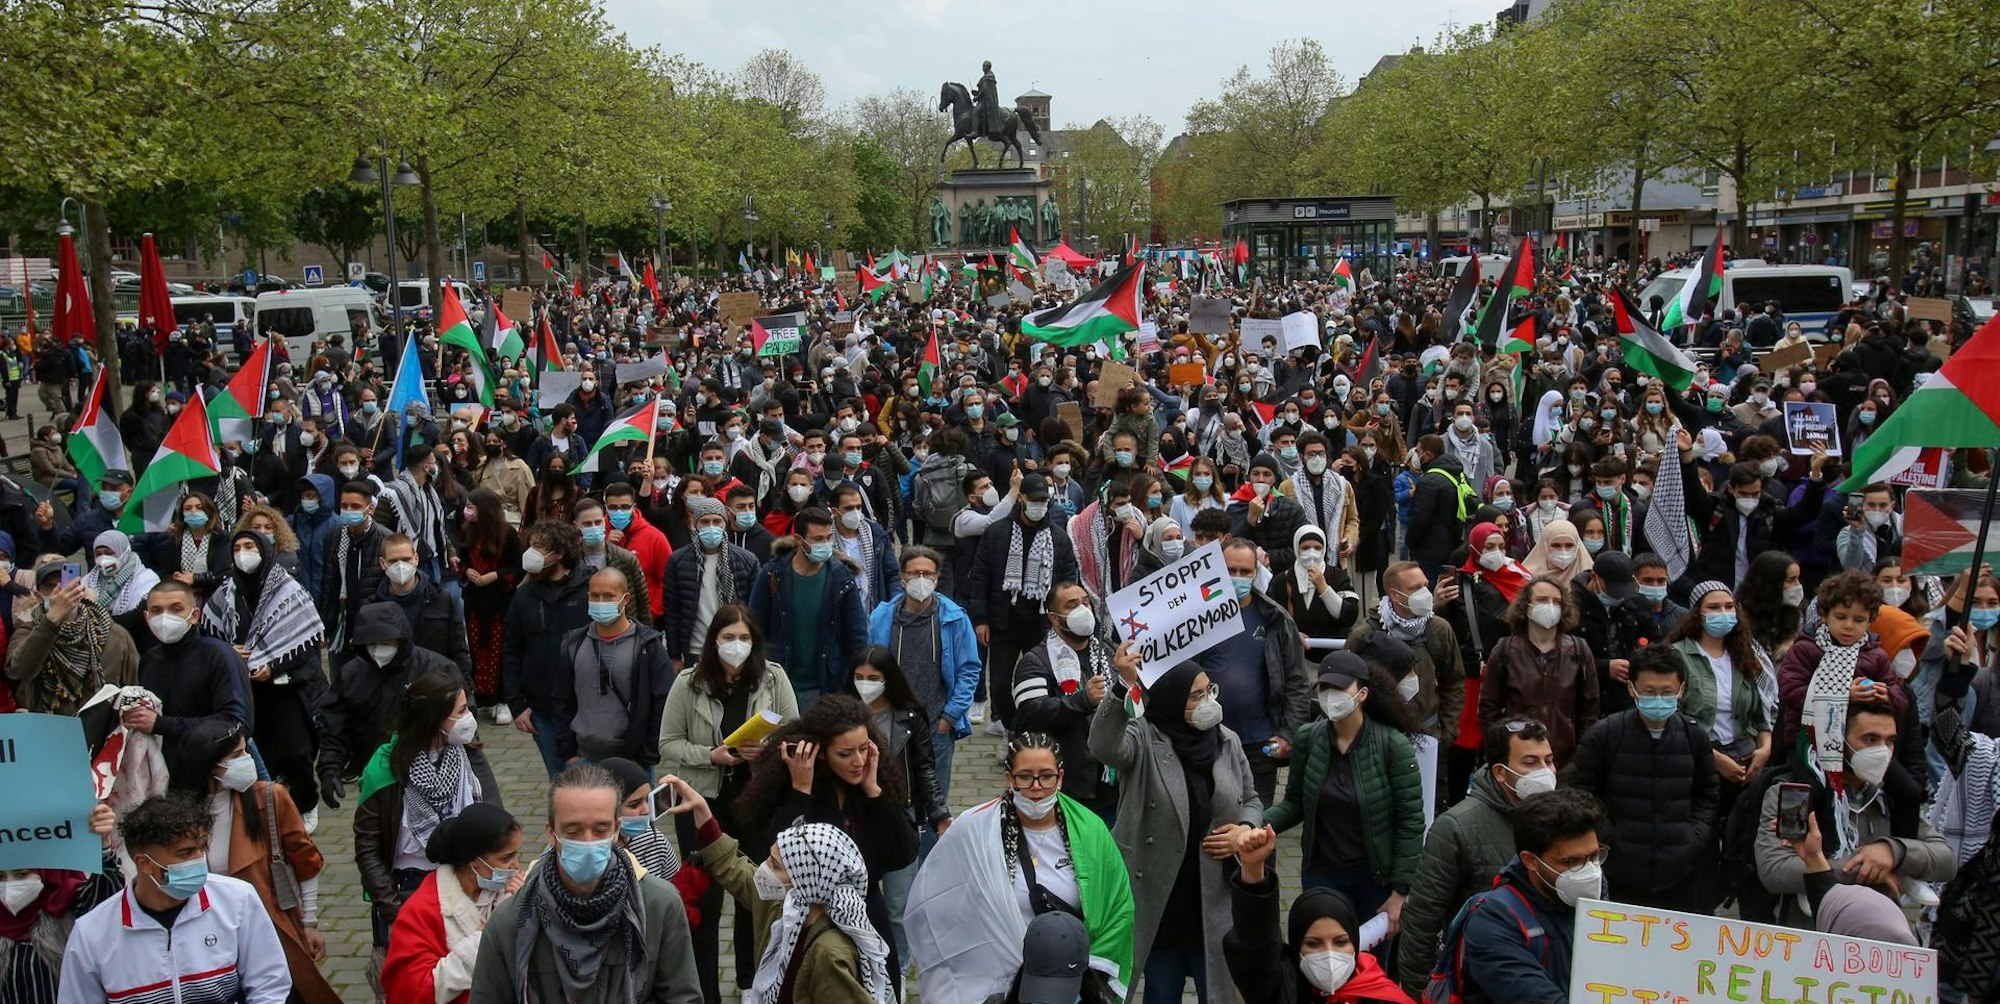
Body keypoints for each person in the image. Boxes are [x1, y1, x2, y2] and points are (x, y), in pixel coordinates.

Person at [905, 731, 1135, 1004]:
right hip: (995, 983)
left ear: (1060, 777)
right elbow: (938, 905)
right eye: (1025, 777)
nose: (1036, 787)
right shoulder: (973, 829)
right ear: (1009, 778)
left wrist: (1085, 969)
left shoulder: (1092, 831)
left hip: (1068, 982)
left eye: (1046, 776)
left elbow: (1118, 909)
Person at [1092, 656, 1262, 1004]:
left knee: (1217, 991)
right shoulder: (1144, 738)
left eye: (1209, 691)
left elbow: (1251, 799)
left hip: (1214, 899)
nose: (1208, 701)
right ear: (1171, 700)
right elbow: (1104, 746)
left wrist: (1244, 830)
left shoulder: (1226, 741)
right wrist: (1123, 686)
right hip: (1161, 901)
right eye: (1196, 696)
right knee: (1161, 991)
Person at [468, 764, 702, 1003]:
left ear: (616, 829)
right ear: (551, 832)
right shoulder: (510, 920)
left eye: (600, 829)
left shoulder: (659, 906)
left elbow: (682, 997)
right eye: (573, 831)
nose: (588, 842)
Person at [657, 605, 797, 1004]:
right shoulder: (688, 683)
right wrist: (710, 755)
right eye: (728, 638)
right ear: (713, 641)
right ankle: (704, 990)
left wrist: (766, 750)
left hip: (756, 801)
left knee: (756, 893)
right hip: (703, 802)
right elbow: (668, 744)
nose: (736, 646)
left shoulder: (773, 678)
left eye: (744, 638)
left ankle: (752, 981)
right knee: (704, 898)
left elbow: (795, 733)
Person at [653, 776, 894, 1004]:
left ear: (806, 880)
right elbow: (736, 870)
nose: (764, 869)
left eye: (775, 865)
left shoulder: (829, 954)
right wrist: (702, 812)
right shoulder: (785, 906)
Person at [734, 695, 918, 983]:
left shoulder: (872, 784)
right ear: (820, 753)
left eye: (863, 749)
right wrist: (800, 792)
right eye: (845, 754)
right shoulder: (794, 789)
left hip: (868, 916)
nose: (858, 761)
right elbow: (772, 855)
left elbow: (904, 853)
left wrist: (874, 793)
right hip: (814, 924)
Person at [162, 720, 339, 1004]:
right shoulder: (178, 813)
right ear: (209, 765)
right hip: (206, 936)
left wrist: (309, 922)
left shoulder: (269, 798)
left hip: (269, 929)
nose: (247, 760)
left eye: (245, 751)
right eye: (236, 755)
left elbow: (306, 862)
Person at [354, 672, 505, 1000]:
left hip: (467, 888)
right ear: (435, 720)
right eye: (461, 711)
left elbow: (495, 824)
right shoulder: (383, 771)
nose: (469, 718)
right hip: (408, 894)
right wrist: (394, 912)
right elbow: (367, 849)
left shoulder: (467, 755)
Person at [60, 796, 292, 1004]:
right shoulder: (92, 933)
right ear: (145, 864)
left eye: (201, 848)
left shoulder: (238, 900)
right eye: (185, 853)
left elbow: (269, 985)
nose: (199, 859)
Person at [1263, 653, 1423, 940]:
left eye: (1339, 688)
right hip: (1321, 876)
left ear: (1363, 693)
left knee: (1368, 963)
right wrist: (1255, 825)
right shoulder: (1308, 738)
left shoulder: (1393, 746)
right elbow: (1294, 803)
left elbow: (1410, 822)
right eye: (1324, 688)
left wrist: (1400, 892)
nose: (1330, 696)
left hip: (1373, 882)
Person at [1393, 717, 1555, 997]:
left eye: (1549, 761)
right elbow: (1422, 919)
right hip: (1478, 984)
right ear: (1500, 772)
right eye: (1530, 762)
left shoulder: (1562, 821)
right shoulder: (1456, 827)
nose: (1545, 772)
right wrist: (1418, 992)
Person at [1753, 701, 1956, 924]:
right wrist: (1866, 867)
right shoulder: (1797, 793)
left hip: (1879, 929)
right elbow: (1776, 870)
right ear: (1836, 740)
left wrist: (1892, 852)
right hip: (1813, 930)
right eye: (1870, 739)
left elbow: (1946, 860)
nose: (1882, 751)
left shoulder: (1889, 795)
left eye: (1890, 741)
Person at [1569, 645, 1719, 910]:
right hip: (1618, 871)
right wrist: (1609, 838)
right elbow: (1581, 795)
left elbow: (1707, 794)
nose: (1658, 699)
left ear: (1681, 690)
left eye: (1667, 692)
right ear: (1632, 688)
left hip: (1679, 871)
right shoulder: (1605, 735)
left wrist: (1693, 837)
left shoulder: (1694, 736)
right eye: (1649, 692)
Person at [202, 529, 328, 817]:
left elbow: (306, 640)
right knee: (260, 754)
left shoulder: (289, 591)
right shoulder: (226, 592)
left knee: (296, 752)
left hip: (285, 688)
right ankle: (270, 811)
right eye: (237, 548)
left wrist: (273, 665)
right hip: (245, 690)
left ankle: (304, 803)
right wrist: (229, 652)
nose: (243, 554)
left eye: (250, 546)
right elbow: (209, 635)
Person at [1443, 789, 1603, 1004]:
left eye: (1594, 857)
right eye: (1571, 862)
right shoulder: (1494, 921)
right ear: (1530, 861)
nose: (1589, 872)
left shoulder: (1595, 897)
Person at [1226, 825, 1416, 1004]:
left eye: (1340, 942)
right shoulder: (1284, 989)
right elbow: (1257, 941)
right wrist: (1252, 868)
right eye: (1313, 943)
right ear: (1296, 946)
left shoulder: (1379, 992)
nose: (1329, 956)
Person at [1200, 537, 1314, 805]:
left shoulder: (1275, 618)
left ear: (1256, 572)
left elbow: (1296, 681)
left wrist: (1288, 734)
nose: (1237, 577)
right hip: (1206, 739)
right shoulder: (1196, 620)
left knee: (1256, 819)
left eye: (1245, 571)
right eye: (1230, 570)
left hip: (1259, 743)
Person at [318, 602, 464, 808]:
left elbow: (462, 723)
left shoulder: (436, 669)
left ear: (401, 638)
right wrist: (330, 770)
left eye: (386, 642)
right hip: (376, 779)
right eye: (372, 643)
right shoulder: (352, 675)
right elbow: (336, 729)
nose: (379, 649)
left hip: (432, 777)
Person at [869, 546, 982, 805]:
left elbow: (969, 670)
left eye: (927, 573)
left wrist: (950, 716)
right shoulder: (881, 617)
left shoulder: (955, 619)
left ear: (937, 578)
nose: (921, 579)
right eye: (914, 573)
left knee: (935, 798)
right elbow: (869, 666)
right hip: (891, 721)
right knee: (894, 793)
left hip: (937, 723)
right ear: (902, 578)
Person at [967, 474, 1079, 731]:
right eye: (1034, 500)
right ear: (1021, 498)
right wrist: (981, 619)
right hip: (1003, 623)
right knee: (1000, 683)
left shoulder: (1059, 538)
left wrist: (1063, 620)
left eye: (1044, 501)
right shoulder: (997, 533)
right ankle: (1010, 725)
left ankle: (1036, 729)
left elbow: (1067, 581)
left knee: (1039, 681)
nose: (1039, 506)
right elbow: (981, 576)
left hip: (1042, 625)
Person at [1776, 570, 1906, 770]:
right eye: (1841, 617)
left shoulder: (1876, 654)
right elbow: (1790, 691)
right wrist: (1843, 695)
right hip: (1810, 743)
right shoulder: (1806, 648)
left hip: (1864, 745)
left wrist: (1886, 695)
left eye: (1859, 620)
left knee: (1904, 786)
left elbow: (1900, 698)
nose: (1848, 626)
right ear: (1824, 615)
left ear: (1870, 621)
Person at [550, 566, 673, 770]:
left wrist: (645, 758)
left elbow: (663, 704)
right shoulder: (573, 644)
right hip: (583, 757)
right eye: (595, 596)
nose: (601, 602)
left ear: (625, 599)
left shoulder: (647, 647)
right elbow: (561, 700)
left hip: (633, 761)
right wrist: (569, 753)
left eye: (609, 596)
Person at [0, 801, 122, 1004]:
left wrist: (102, 843)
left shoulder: (68, 902)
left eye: (22, 874)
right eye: (1, 877)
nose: (10, 885)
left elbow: (108, 900)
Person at [1347, 560, 1465, 762]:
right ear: (1395, 594)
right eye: (1415, 588)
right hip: (1376, 742)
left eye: (1425, 585)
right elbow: (1347, 686)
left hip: (1427, 737)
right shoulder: (1364, 635)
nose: (1425, 593)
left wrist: (1446, 733)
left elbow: (1454, 682)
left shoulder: (1439, 629)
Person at [749, 507, 868, 706]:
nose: (826, 545)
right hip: (779, 685)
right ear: (798, 540)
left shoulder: (841, 578)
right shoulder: (773, 574)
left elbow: (856, 635)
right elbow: (755, 626)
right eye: (818, 539)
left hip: (827, 686)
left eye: (829, 538)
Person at [502, 520, 594, 777]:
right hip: (543, 709)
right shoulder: (524, 595)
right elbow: (512, 651)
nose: (530, 554)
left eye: (539, 548)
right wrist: (517, 705)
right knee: (560, 781)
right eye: (530, 547)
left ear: (559, 553)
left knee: (590, 781)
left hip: (587, 708)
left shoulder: (590, 590)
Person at [1477, 575, 1598, 764]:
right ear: (1526, 606)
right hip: (1519, 758)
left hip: (1566, 760)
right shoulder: (1505, 650)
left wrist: (1581, 753)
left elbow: (1589, 708)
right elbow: (1488, 707)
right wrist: (1501, 749)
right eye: (1542, 600)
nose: (1550, 606)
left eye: (1556, 601)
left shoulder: (1578, 650)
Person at [126, 579, 252, 742]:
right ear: (147, 617)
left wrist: (161, 724)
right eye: (157, 611)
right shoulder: (149, 661)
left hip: (213, 756)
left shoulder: (219, 656)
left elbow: (236, 723)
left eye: (176, 609)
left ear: (194, 615)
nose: (165, 617)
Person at [5, 571, 137, 716]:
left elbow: (134, 689)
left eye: (67, 585)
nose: (62, 593)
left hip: (98, 725)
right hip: (44, 723)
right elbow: (17, 671)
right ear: (39, 596)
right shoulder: (29, 630)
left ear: (81, 591)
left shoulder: (112, 633)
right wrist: (51, 621)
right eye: (51, 587)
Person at [661, 497, 758, 666]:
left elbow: (754, 610)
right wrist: (674, 656)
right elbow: (672, 611)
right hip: (696, 650)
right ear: (696, 525)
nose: (711, 527)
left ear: (725, 523)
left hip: (735, 649)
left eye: (717, 521)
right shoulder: (678, 561)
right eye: (705, 522)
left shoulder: (746, 561)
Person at [457, 488, 523, 715]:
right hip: (475, 600)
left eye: (471, 507)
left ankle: (503, 700)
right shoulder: (467, 531)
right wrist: (467, 571)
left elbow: (518, 567)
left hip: (500, 601)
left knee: (500, 648)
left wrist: (495, 575)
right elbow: (462, 560)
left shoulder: (508, 534)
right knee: (477, 648)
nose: (467, 511)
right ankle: (483, 698)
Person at [376, 531, 473, 685]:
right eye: (393, 561)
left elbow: (459, 652)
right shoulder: (375, 607)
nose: (400, 566)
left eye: (406, 559)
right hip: (393, 689)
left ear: (416, 559)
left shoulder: (442, 600)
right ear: (383, 563)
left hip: (435, 686)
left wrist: (466, 691)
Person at [321, 480, 390, 648]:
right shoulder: (335, 535)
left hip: (370, 624)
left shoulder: (384, 540)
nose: (349, 511)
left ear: (370, 508)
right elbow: (329, 582)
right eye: (344, 506)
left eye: (355, 506)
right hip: (341, 620)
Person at [604, 481, 671, 622]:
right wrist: (605, 547)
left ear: (634, 507)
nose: (619, 512)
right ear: (605, 508)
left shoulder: (654, 537)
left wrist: (652, 612)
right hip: (604, 614)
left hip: (643, 619)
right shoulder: (598, 536)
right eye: (613, 507)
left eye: (624, 507)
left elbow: (666, 579)